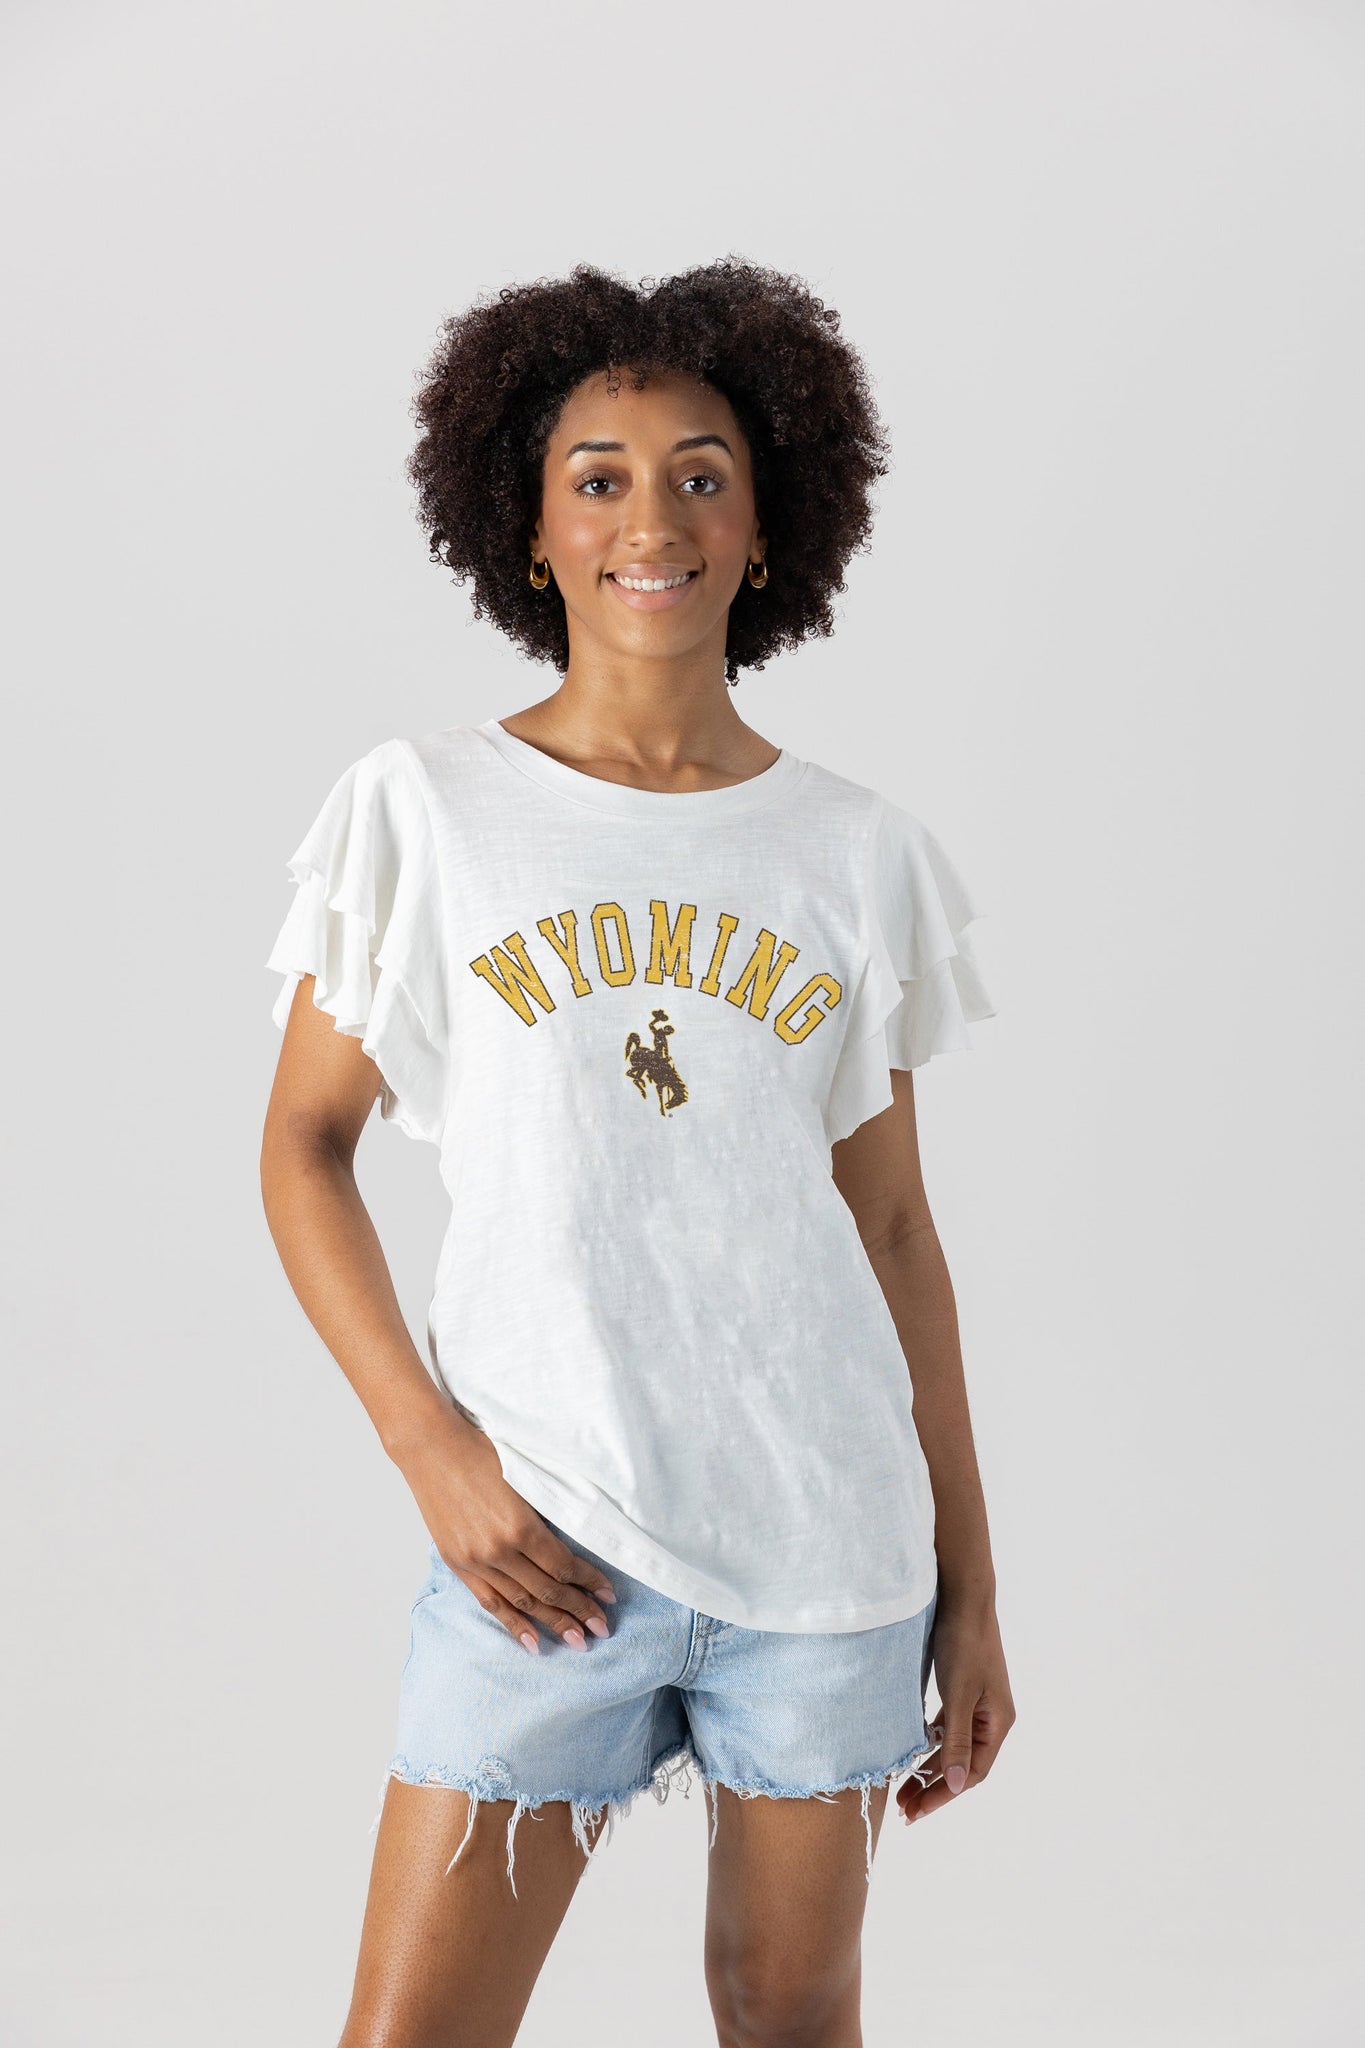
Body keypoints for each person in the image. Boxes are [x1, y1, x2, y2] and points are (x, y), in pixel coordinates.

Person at [260, 257, 1016, 2048]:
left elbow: (894, 1234)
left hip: (826, 1558)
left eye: (700, 474)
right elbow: (303, 1147)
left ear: (765, 524)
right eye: (596, 478)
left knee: (787, 2018)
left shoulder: (852, 854)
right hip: (541, 1547)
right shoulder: (428, 811)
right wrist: (434, 1454)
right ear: (528, 533)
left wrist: (972, 1587)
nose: (650, 520)